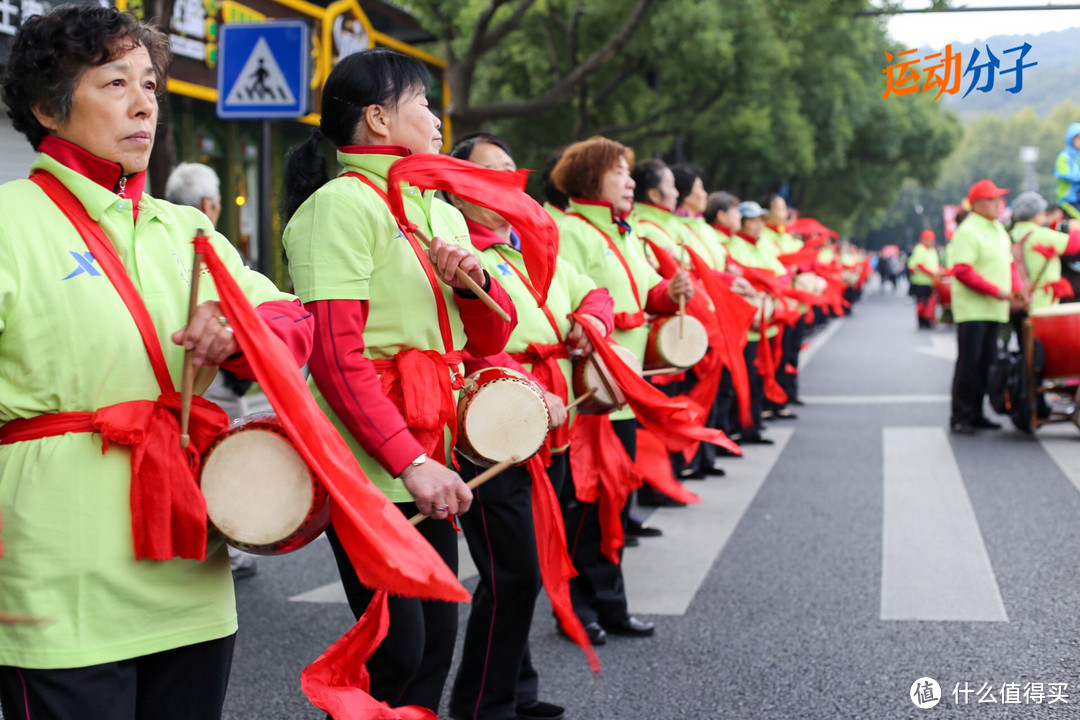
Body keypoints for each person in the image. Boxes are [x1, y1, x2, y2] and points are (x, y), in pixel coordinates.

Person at [0, 6, 313, 719]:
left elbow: (292, 320)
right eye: (116, 84)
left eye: (150, 84)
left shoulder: (188, 227)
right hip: (53, 572)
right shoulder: (10, 219)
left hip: (188, 570)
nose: (145, 104)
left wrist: (239, 325)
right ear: (50, 106)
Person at [281, 48, 517, 713]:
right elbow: (334, 356)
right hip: (370, 461)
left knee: (435, 640)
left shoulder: (436, 207)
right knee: (395, 649)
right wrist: (407, 460)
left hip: (429, 444)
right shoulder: (340, 207)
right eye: (423, 103)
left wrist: (472, 285)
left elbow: (488, 337)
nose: (438, 119)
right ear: (378, 119)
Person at [445, 132, 613, 720]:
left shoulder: (530, 247)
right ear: (458, 188)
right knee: (513, 574)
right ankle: (480, 706)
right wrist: (529, 387)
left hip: (549, 428)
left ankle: (514, 689)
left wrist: (591, 318)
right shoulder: (456, 250)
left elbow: (592, 292)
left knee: (528, 567)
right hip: (493, 428)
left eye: (512, 171)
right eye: (488, 174)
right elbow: (466, 344)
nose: (505, 184)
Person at [551, 136, 693, 642]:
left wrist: (668, 292)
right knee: (586, 506)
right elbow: (571, 304)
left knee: (611, 502)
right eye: (619, 172)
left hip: (620, 391)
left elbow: (643, 293)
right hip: (589, 394)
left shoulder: (623, 232)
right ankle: (580, 609)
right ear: (591, 178)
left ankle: (608, 603)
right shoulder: (570, 231)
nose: (631, 181)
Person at [164, 161, 258, 580]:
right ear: (208, 205)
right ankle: (223, 541)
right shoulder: (206, 243)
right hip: (211, 376)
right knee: (214, 458)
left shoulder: (159, 236)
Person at [949, 179, 1024, 435]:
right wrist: (998, 291)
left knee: (987, 364)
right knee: (969, 364)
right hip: (973, 309)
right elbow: (962, 270)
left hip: (995, 308)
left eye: (998, 199)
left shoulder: (999, 229)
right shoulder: (968, 230)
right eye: (992, 200)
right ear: (978, 204)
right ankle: (961, 415)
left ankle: (977, 413)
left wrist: (1016, 289)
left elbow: (1010, 264)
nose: (998, 204)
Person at [725, 200, 787, 445]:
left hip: (766, 325)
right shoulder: (733, 246)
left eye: (761, 219)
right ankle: (739, 426)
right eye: (754, 220)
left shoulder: (764, 247)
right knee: (743, 379)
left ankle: (754, 425)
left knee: (760, 375)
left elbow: (780, 276)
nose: (759, 224)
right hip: (744, 328)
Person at [1010, 191, 1080, 314]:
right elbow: (1074, 244)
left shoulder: (1010, 234)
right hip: (1042, 303)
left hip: (1017, 300)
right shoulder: (1041, 235)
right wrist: (1075, 228)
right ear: (1035, 214)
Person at [908, 229, 941, 329]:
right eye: (929, 241)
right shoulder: (919, 249)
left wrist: (939, 271)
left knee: (930, 303)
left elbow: (936, 264)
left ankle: (928, 320)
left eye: (932, 241)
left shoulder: (932, 250)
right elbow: (919, 264)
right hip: (920, 282)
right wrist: (931, 273)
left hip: (931, 282)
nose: (931, 243)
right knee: (922, 302)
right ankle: (921, 322)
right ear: (923, 240)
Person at [1054, 123, 1080, 219]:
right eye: (1078, 138)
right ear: (1071, 140)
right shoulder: (1064, 157)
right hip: (1067, 199)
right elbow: (1063, 174)